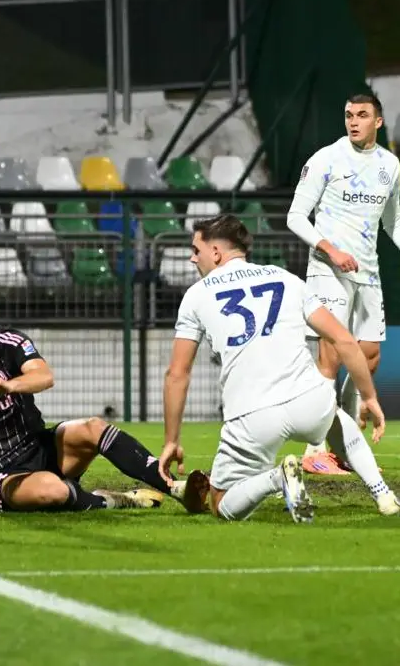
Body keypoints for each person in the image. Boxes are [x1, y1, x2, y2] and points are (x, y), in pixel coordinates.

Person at [159, 214, 399, 523]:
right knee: (336, 419)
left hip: (254, 416)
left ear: (216, 252)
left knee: (219, 503)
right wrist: (368, 397)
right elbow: (344, 340)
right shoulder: (285, 278)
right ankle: (382, 494)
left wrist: (171, 440)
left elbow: (177, 374)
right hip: (309, 403)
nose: (193, 259)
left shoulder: (196, 295)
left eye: (196, 250)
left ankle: (278, 479)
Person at [0, 275, 200, 514]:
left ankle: (176, 487)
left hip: (39, 447)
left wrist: (7, 385)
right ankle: (114, 500)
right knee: (51, 491)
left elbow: (43, 376)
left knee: (93, 427)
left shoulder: (10, 343)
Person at [287, 90, 400, 474]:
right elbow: (296, 216)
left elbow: (393, 221)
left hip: (368, 273)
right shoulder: (327, 158)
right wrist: (330, 249)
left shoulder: (390, 165)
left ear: (378, 122)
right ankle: (314, 452)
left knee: (368, 358)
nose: (353, 121)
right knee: (332, 357)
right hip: (327, 270)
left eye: (362, 115)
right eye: (349, 114)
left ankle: (346, 447)